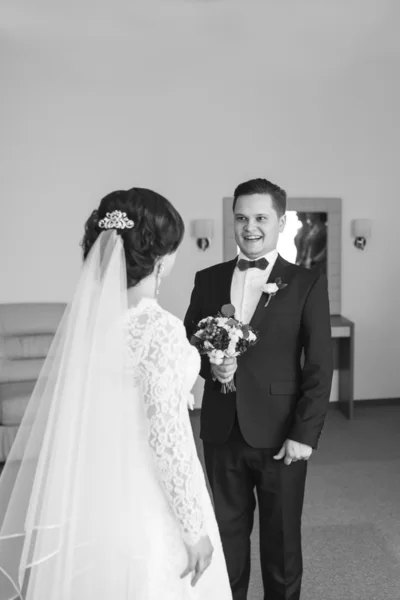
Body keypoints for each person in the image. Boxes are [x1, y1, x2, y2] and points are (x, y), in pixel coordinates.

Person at [0, 188, 232, 600]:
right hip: (146, 494)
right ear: (161, 258)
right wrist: (193, 529)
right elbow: (168, 439)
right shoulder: (156, 327)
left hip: (96, 488)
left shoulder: (89, 325)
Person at [184, 178, 333, 600]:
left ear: (281, 222)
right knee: (227, 540)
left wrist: (305, 434)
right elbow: (187, 348)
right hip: (220, 431)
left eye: (261, 218)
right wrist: (213, 369)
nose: (251, 227)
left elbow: (320, 365)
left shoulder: (306, 283)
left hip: (281, 436)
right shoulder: (207, 279)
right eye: (242, 218)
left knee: (281, 545)